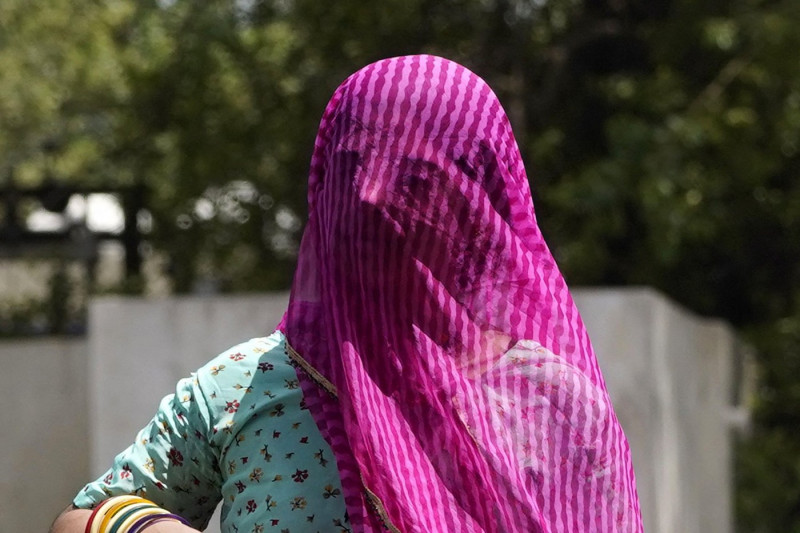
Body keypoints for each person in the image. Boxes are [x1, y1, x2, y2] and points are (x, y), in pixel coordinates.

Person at [51, 54, 643, 533]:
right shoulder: (243, 389)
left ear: (478, 207)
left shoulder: (552, 408)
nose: (372, 199)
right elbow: (80, 519)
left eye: (416, 179)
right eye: (354, 169)